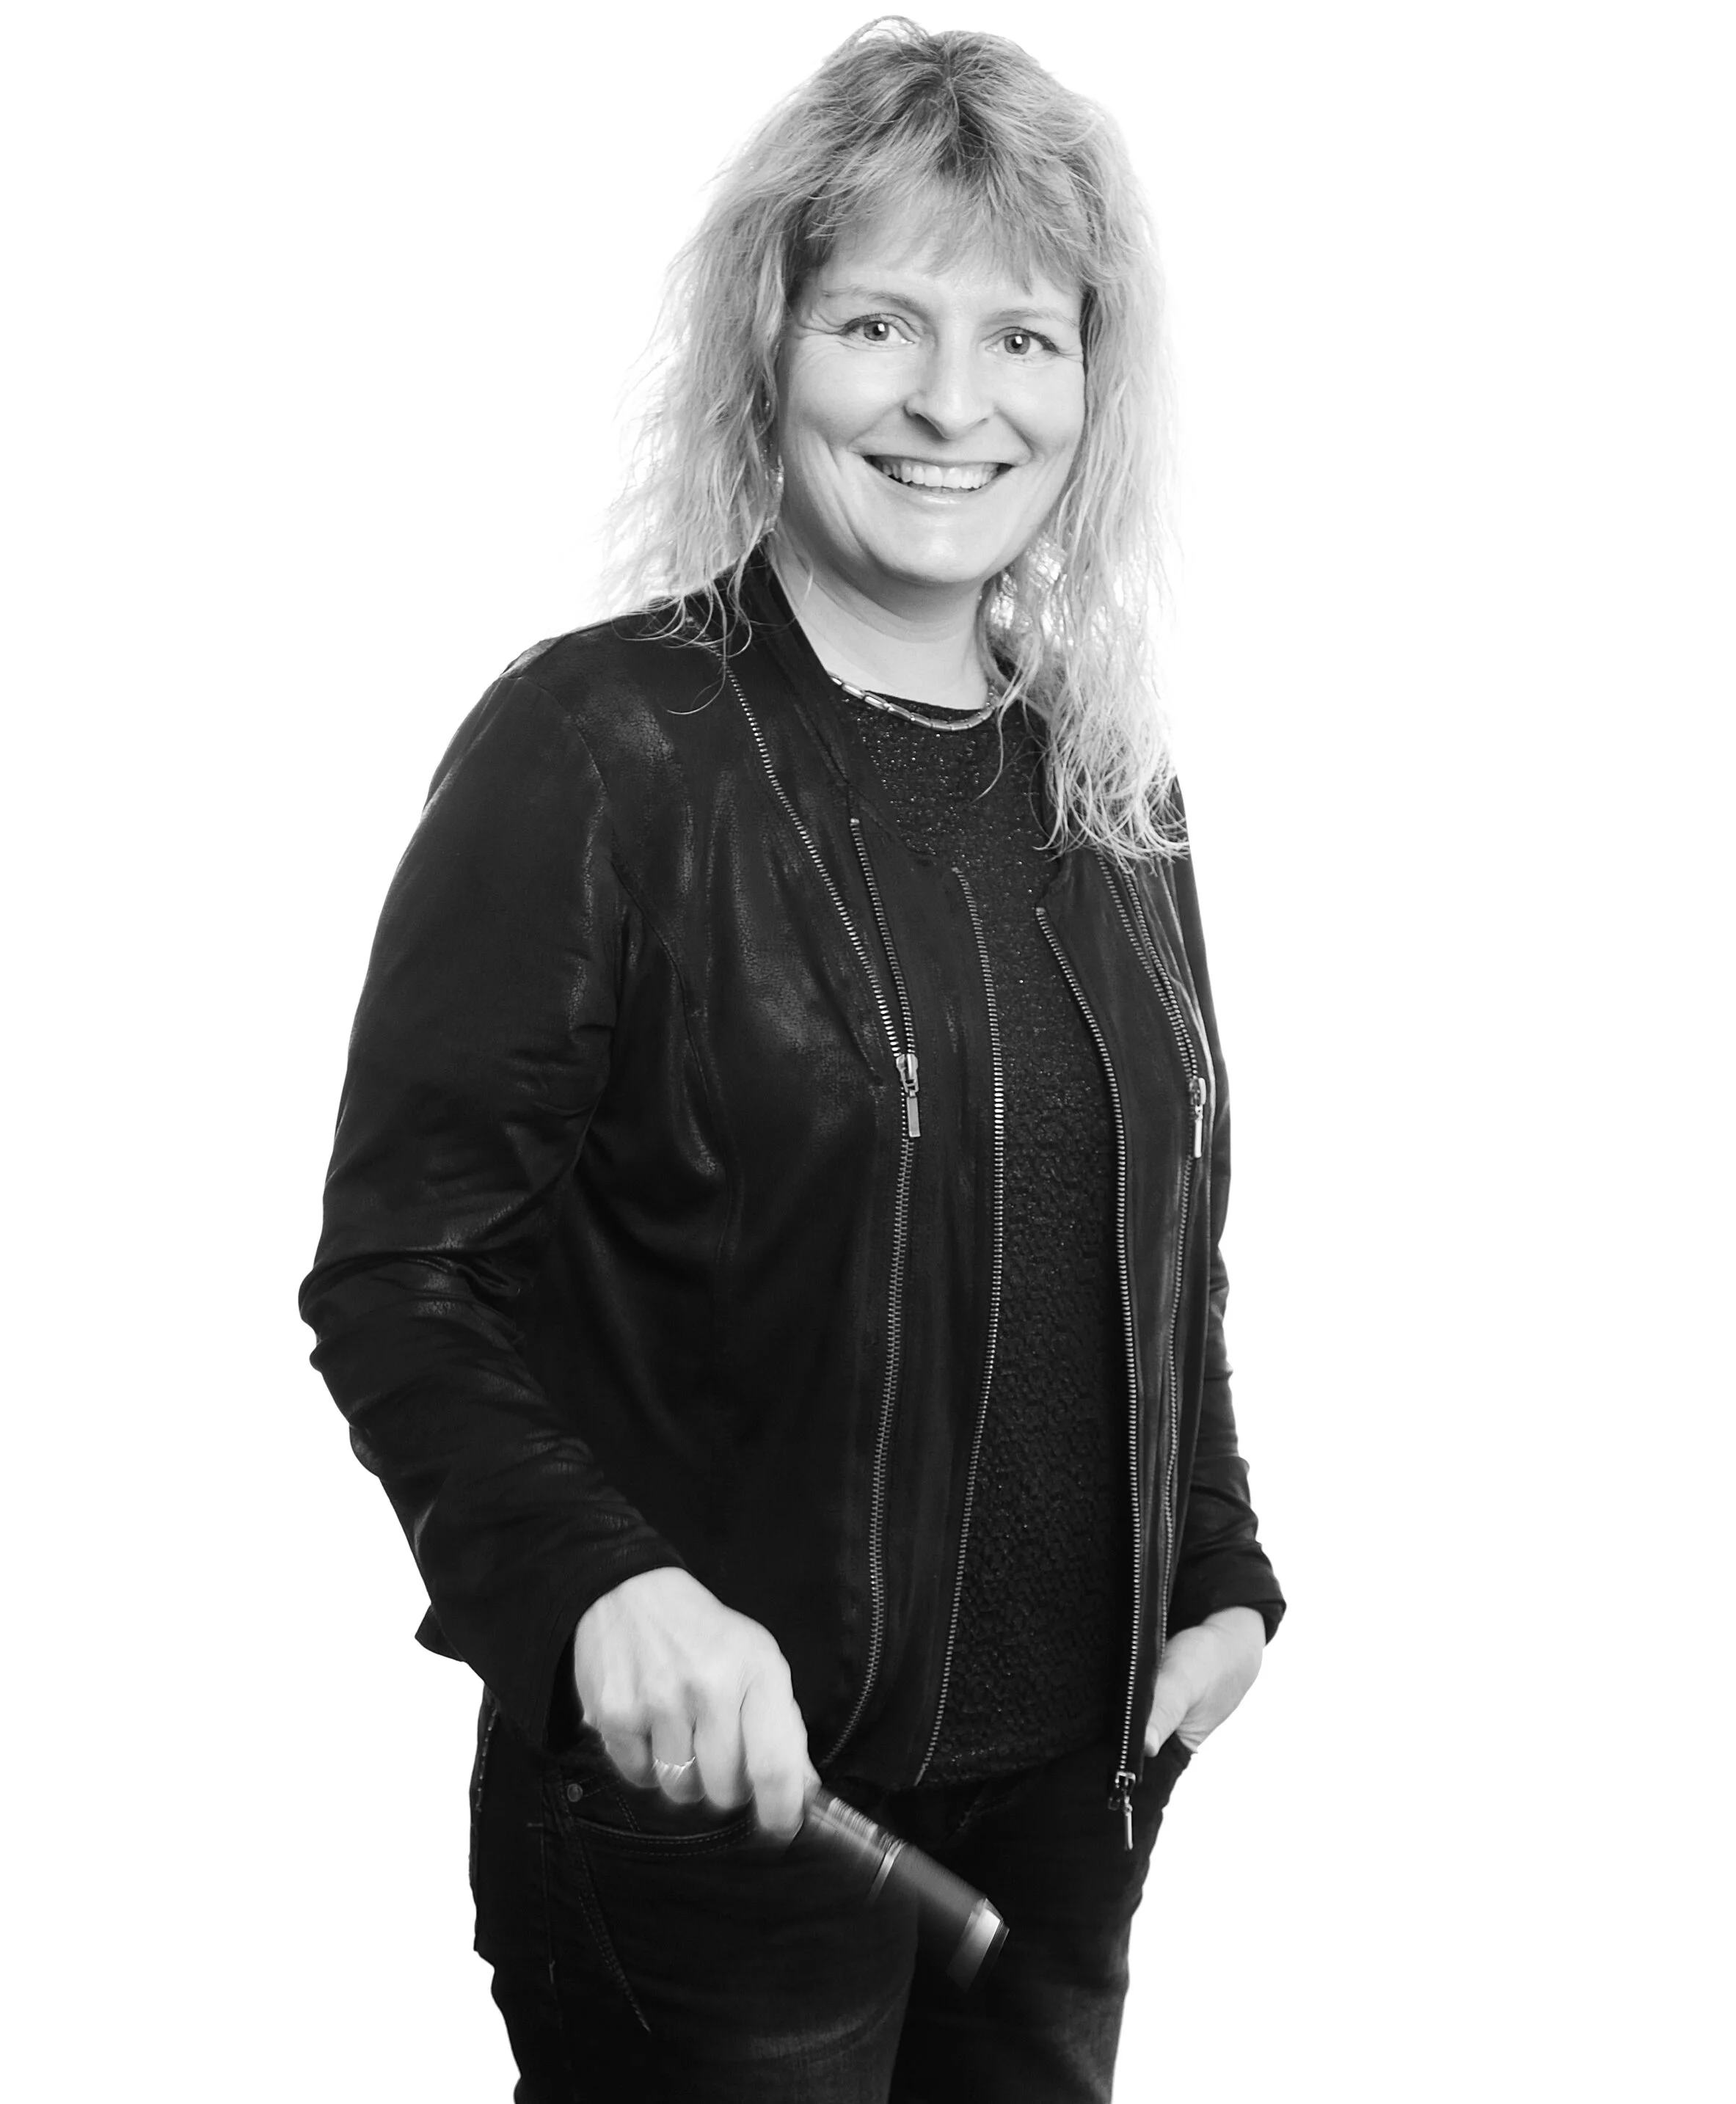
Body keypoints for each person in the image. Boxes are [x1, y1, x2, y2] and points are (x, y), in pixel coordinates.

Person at [301, 19, 1284, 2101]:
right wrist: (596, 1587)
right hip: (731, 1841)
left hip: (1072, 1817)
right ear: (771, 345)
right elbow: (402, 1273)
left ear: (1091, 388)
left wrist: (1215, 1563)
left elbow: (1159, 1237)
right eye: (880, 322)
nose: (952, 401)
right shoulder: (600, 751)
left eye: (1022, 338)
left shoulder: (1110, 785)